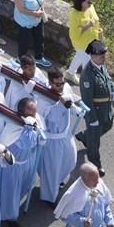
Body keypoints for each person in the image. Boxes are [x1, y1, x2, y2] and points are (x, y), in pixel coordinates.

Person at [37, 67, 84, 204]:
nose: (61, 86)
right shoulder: (43, 98)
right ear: (50, 83)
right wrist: (61, 104)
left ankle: (58, 180)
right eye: (57, 84)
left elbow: (71, 103)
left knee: (70, 161)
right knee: (51, 169)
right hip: (52, 139)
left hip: (65, 135)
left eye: (62, 82)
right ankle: (49, 197)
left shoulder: (65, 88)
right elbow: (52, 118)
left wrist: (76, 110)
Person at [74, 39, 114, 176]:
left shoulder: (101, 66)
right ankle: (95, 164)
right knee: (94, 140)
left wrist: (113, 89)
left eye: (104, 56)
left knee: (108, 125)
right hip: (95, 110)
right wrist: (92, 118)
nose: (104, 58)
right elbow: (87, 99)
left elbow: (108, 79)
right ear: (92, 56)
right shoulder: (87, 75)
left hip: (106, 107)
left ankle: (85, 136)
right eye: (101, 56)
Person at [12, 0, 52, 67]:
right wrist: (36, 13)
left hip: (37, 20)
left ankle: (39, 57)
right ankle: (21, 60)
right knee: (24, 42)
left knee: (39, 39)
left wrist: (41, 10)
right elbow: (21, 9)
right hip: (25, 21)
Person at [67, 0, 101, 74]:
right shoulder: (74, 14)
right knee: (88, 66)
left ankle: (70, 73)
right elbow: (73, 34)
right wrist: (87, 26)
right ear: (81, 1)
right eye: (89, 2)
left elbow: (96, 19)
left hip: (92, 40)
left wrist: (99, 30)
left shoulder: (90, 7)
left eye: (92, 2)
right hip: (82, 45)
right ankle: (87, 85)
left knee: (79, 56)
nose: (91, 4)